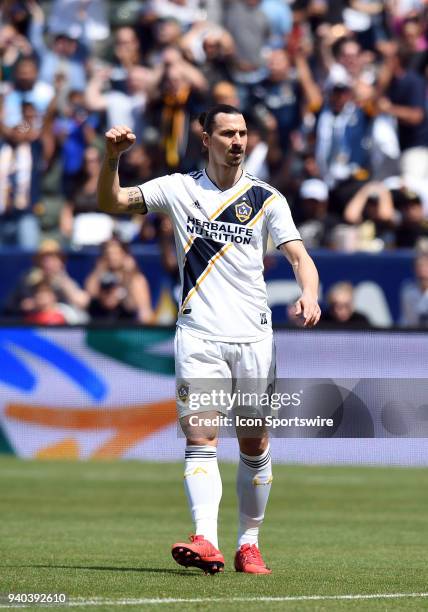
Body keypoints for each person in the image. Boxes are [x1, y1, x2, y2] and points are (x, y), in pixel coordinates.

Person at [97, 104, 321, 574]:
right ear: (206, 138)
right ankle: (205, 539)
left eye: (242, 133)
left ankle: (249, 542)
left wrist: (310, 295)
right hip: (199, 333)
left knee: (254, 443)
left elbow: (299, 256)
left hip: (253, 339)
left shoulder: (266, 198)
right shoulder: (178, 189)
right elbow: (112, 202)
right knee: (201, 435)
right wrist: (112, 158)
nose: (237, 141)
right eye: (227, 133)